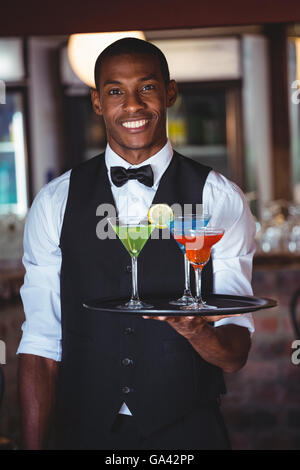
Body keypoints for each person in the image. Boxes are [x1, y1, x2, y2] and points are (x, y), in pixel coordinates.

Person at [17, 37, 256, 450]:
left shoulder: (220, 198)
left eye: (146, 87)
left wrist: (199, 333)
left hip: (188, 432)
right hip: (82, 432)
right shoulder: (55, 201)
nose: (132, 105)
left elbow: (235, 354)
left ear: (170, 93)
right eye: (115, 91)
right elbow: (40, 343)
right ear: (97, 102)